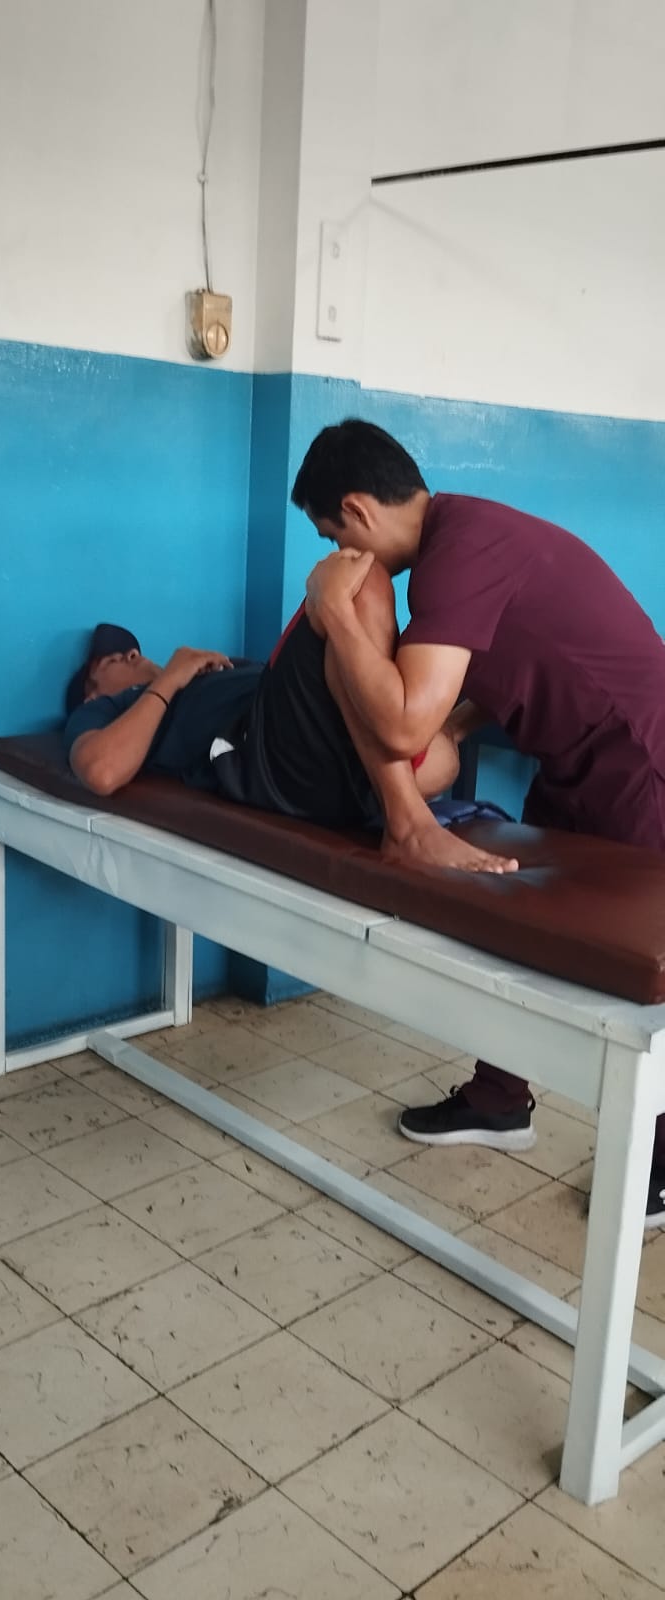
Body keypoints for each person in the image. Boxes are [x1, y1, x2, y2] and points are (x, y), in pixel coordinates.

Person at [292, 417, 665, 1226]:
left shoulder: (455, 557)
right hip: (572, 759)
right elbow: (521, 653)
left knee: (651, 963)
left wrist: (336, 613)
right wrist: (459, 725)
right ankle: (500, 1100)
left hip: (641, 758)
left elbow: (400, 724)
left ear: (356, 510)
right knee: (525, 929)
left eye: (334, 537)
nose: (342, 555)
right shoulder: (462, 536)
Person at [63, 586, 462, 825]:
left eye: (132, 651)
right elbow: (102, 772)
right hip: (258, 744)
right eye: (111, 662)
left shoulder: (211, 671)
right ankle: (408, 818)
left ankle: (463, 720)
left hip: (302, 720)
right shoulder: (103, 711)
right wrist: (169, 678)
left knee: (441, 750)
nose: (134, 655)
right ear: (90, 694)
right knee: (356, 583)